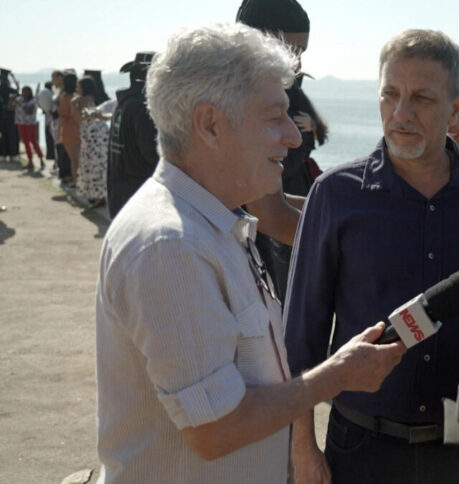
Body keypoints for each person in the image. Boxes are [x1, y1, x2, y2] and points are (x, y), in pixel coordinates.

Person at [95, 22, 405, 483]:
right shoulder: (170, 247)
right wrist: (336, 375)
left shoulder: (210, 226)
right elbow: (215, 430)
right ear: (210, 124)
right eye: (274, 116)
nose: (294, 136)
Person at [284, 29, 459, 484]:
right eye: (390, 95)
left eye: (420, 98)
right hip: (360, 447)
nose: (401, 114)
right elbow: (301, 337)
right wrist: (303, 449)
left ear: (456, 108)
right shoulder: (335, 195)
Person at [237, 0, 328, 302]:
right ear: (265, 36)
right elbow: (270, 213)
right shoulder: (243, 94)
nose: (299, 62)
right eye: (295, 50)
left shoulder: (233, 84)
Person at [106, 52, 159, 218]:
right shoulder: (142, 107)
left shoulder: (125, 102)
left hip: (118, 189)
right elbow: (152, 154)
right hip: (138, 192)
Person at [75, 76, 110, 207]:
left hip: (91, 137)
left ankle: (97, 197)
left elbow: (79, 119)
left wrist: (73, 106)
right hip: (98, 135)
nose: (76, 89)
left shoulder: (82, 100)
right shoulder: (99, 97)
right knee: (99, 165)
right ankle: (99, 195)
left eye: (78, 86)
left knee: (92, 165)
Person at [57, 70, 80, 186]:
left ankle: (75, 181)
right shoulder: (78, 96)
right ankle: (78, 180)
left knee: (73, 159)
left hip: (68, 130)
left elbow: (62, 117)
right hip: (79, 129)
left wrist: (58, 133)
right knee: (79, 158)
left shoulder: (65, 97)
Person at [14, 85, 44, 171]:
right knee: (25, 142)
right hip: (21, 123)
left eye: (26, 91)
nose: (24, 94)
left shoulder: (33, 101)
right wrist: (12, 100)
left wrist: (19, 103)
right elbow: (11, 107)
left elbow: (28, 112)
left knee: (33, 141)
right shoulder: (19, 99)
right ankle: (30, 161)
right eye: (23, 91)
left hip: (30, 124)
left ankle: (41, 158)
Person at [0, 68, 20, 163]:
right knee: (9, 135)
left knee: (5, 135)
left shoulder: (11, 90)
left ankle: (5, 154)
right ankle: (12, 154)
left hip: (7, 115)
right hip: (9, 115)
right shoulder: (12, 90)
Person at [37, 80, 56, 163]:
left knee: (52, 142)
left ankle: (55, 160)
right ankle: (55, 160)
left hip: (49, 123)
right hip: (51, 123)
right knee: (53, 142)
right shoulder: (53, 97)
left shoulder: (51, 97)